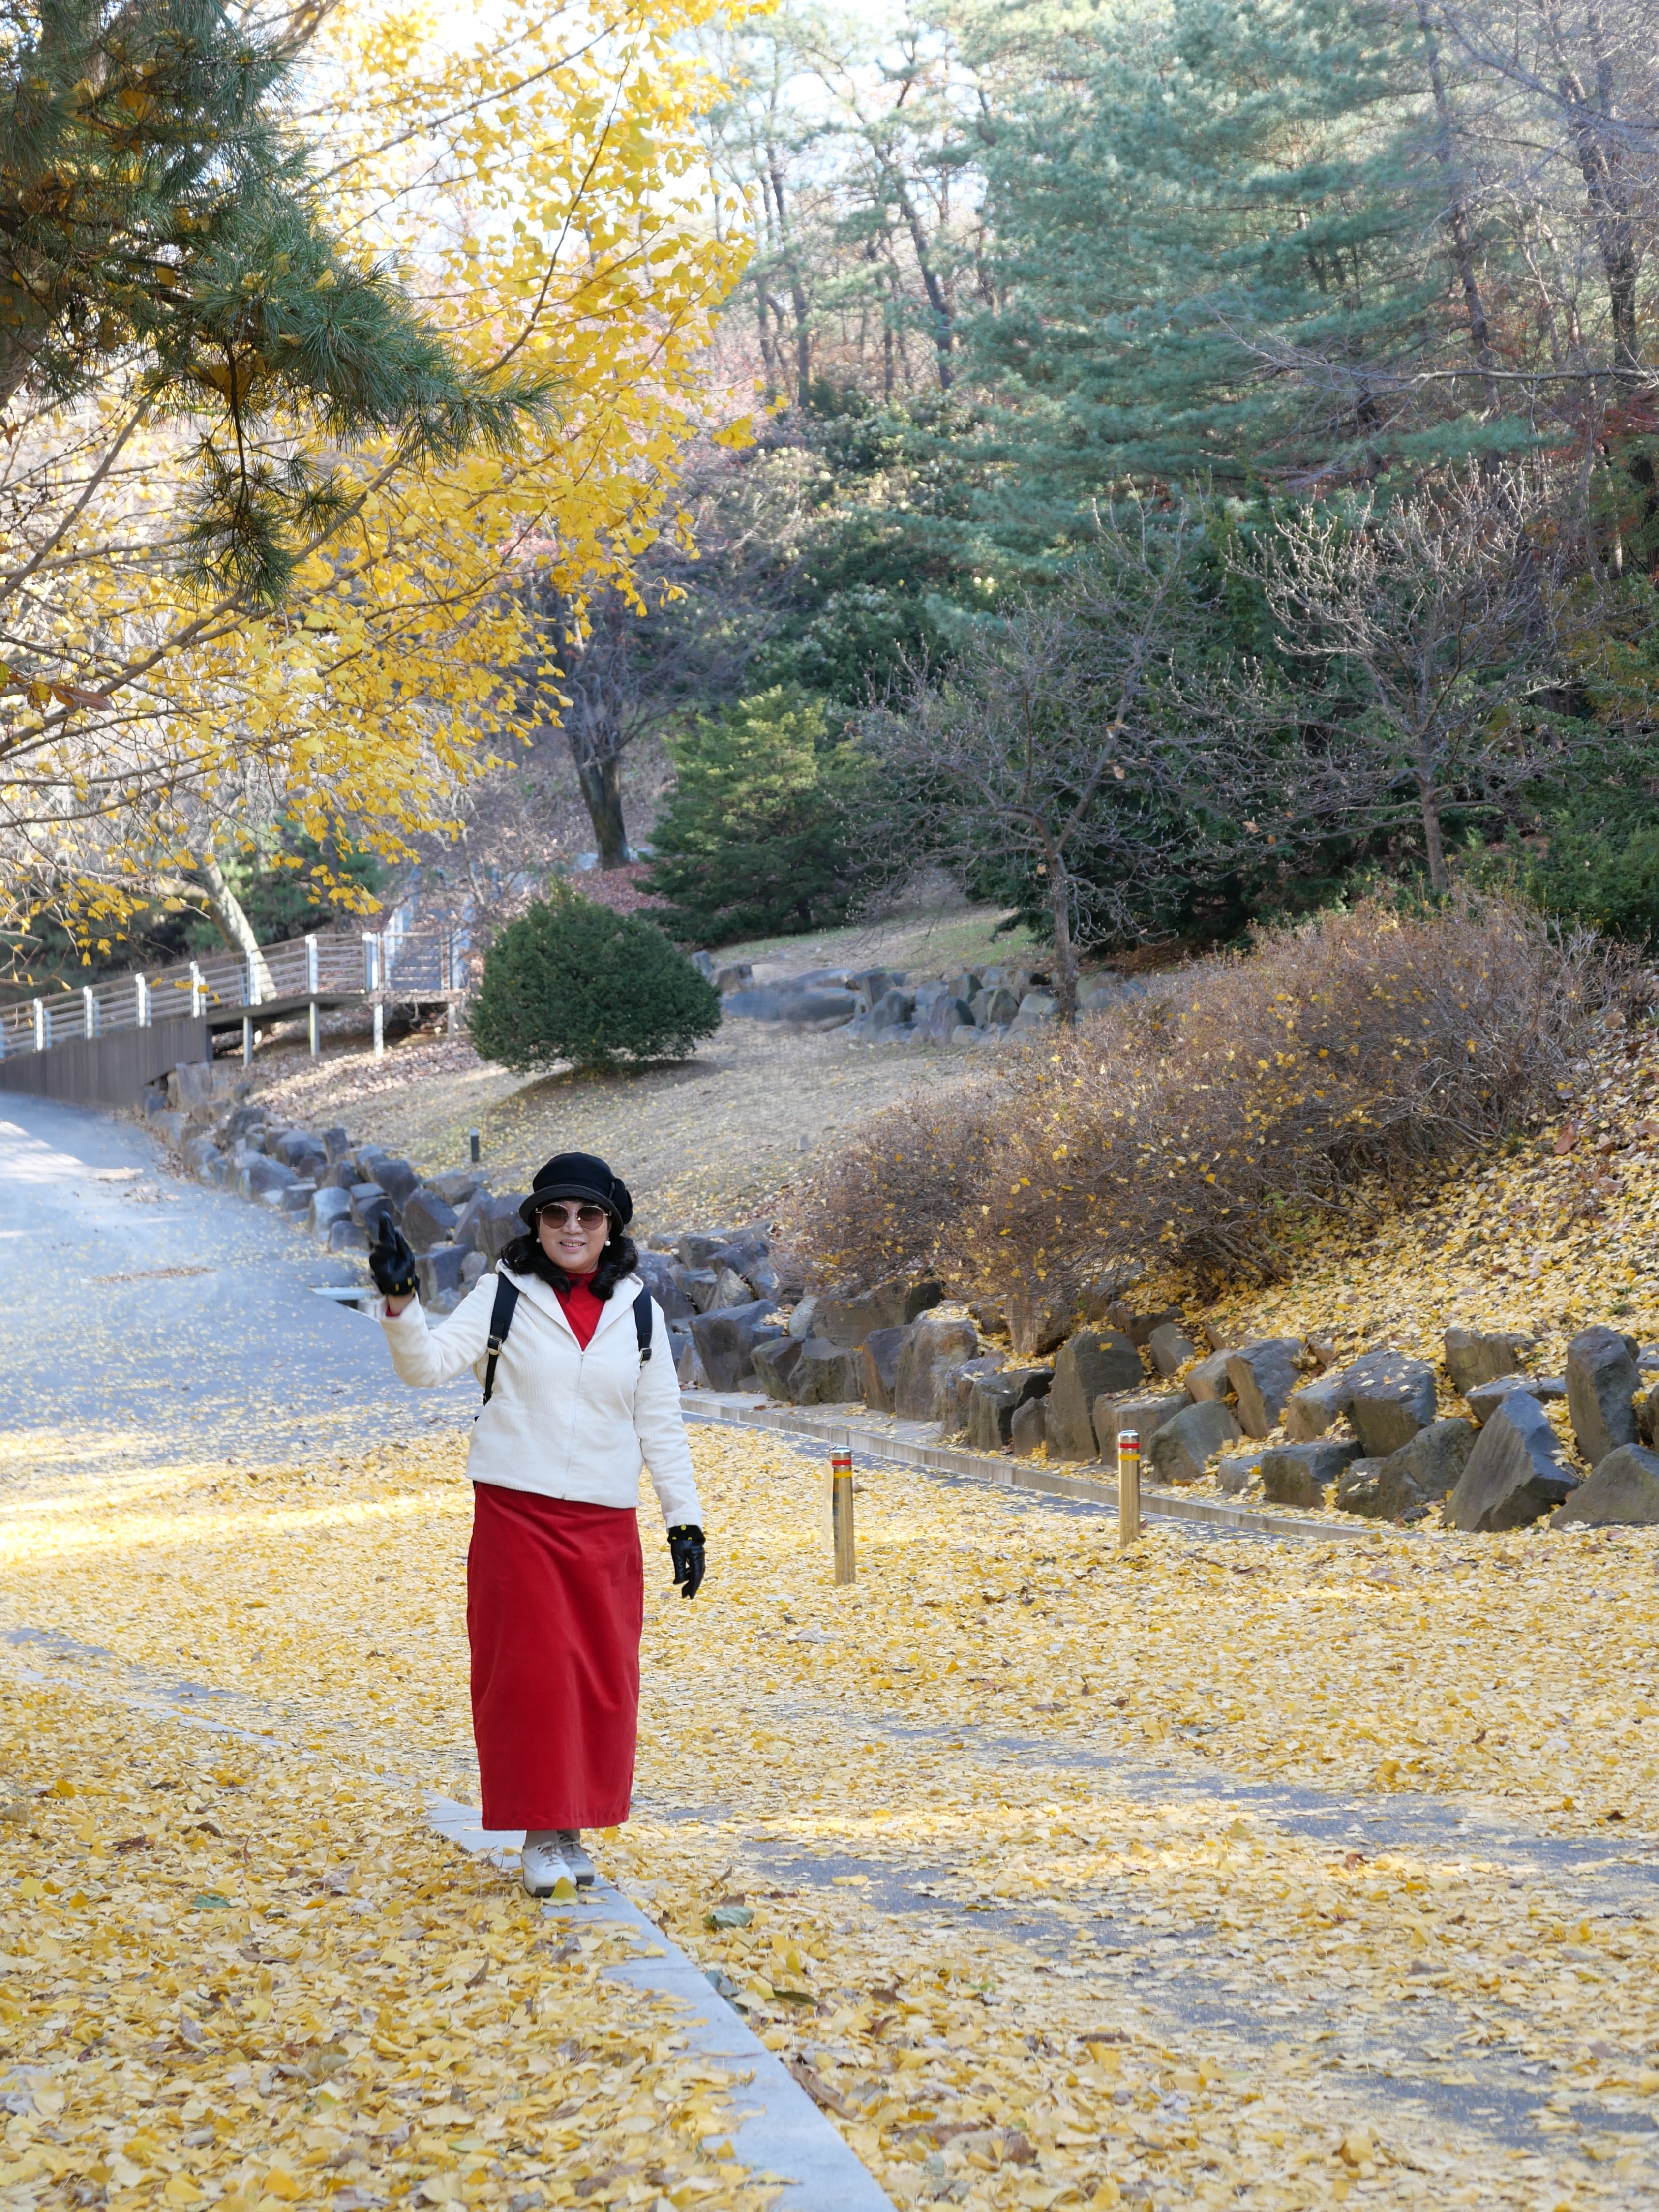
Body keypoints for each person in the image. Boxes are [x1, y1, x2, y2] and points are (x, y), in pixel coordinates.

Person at [365, 1150, 704, 1898]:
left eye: (588, 1214)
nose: (571, 1227)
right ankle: (539, 1837)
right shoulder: (502, 1295)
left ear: (611, 1225)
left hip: (605, 1525)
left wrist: (685, 1522)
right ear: (537, 1223)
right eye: (556, 1213)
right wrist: (400, 1298)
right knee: (532, 1680)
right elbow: (425, 1366)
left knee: (599, 1683)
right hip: (517, 1517)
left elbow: (661, 1424)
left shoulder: (639, 1310)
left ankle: (570, 1829)